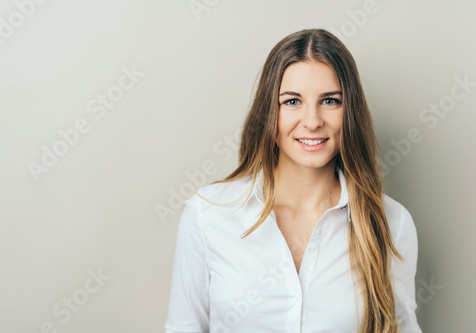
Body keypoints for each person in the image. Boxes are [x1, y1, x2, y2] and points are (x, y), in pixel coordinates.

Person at [164, 29, 422, 333]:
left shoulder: (391, 223)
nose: (312, 121)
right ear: (268, 112)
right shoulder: (208, 215)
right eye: (292, 101)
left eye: (329, 100)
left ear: (349, 112)